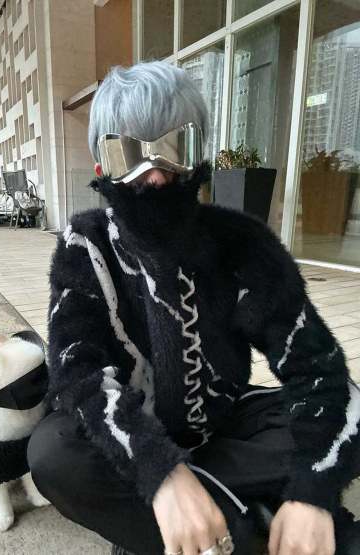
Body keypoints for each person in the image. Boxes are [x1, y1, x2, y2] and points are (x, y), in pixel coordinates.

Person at [27, 61, 360, 555]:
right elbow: (78, 373)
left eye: (173, 147)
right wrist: (160, 471)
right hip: (136, 429)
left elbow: (318, 369)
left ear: (198, 154)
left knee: (344, 408)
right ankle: (248, 524)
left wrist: (312, 493)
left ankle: (188, 525)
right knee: (55, 452)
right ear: (101, 166)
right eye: (128, 153)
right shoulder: (87, 244)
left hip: (225, 426)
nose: (155, 175)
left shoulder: (240, 244)